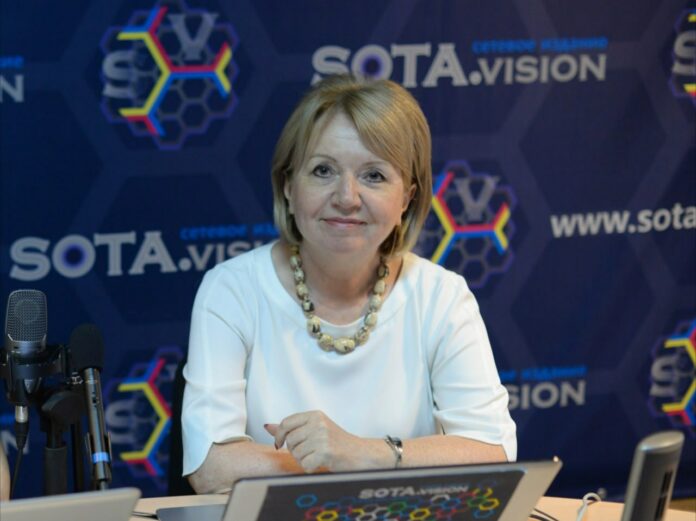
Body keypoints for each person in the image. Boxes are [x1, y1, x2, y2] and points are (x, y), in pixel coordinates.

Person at [182, 74, 516, 494]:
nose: (347, 197)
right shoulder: (232, 291)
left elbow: (494, 454)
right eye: (323, 170)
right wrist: (344, 463)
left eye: (374, 175)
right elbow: (211, 468)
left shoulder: (442, 296)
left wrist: (364, 453)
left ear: (407, 199)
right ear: (288, 187)